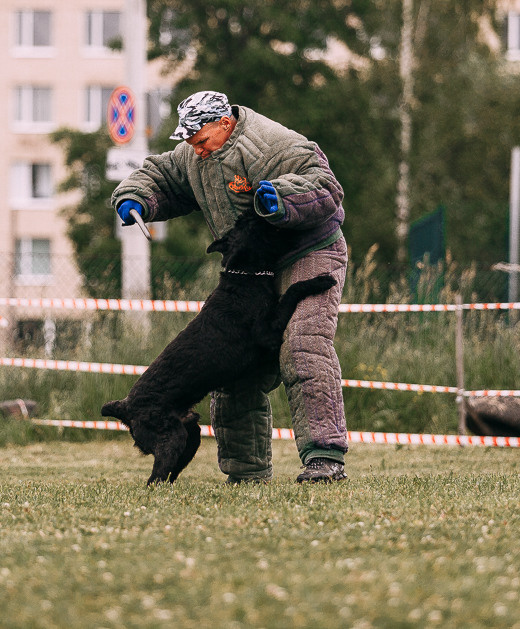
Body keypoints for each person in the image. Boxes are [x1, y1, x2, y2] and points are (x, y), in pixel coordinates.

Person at [111, 90, 349, 484]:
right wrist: (135, 196)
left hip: (306, 251)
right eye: (190, 144)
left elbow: (325, 188)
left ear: (225, 124)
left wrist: (283, 197)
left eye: (201, 142)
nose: (197, 152)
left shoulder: (274, 144)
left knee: (303, 343)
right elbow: (163, 176)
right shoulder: (197, 153)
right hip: (247, 269)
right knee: (230, 361)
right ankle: (246, 472)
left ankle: (324, 458)